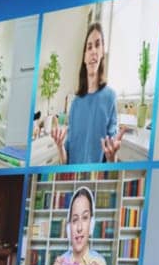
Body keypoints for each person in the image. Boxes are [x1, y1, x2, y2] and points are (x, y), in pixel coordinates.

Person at [51, 22, 123, 164]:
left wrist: (112, 157)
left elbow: (110, 160)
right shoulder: (76, 104)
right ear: (84, 57)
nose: (93, 51)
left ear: (102, 52)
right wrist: (59, 146)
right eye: (89, 47)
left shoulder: (110, 98)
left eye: (97, 45)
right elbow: (65, 162)